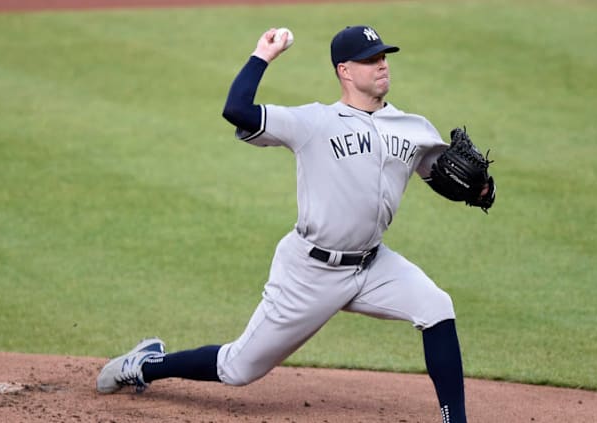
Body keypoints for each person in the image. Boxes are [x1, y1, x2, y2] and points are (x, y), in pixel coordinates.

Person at [97, 25, 494, 423]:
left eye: (383, 57)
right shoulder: (314, 123)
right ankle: (146, 364)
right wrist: (261, 56)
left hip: (372, 265)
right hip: (310, 271)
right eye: (370, 60)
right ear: (344, 70)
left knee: (436, 306)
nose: (382, 66)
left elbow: (445, 178)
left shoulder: (414, 128)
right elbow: (237, 110)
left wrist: (482, 192)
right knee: (238, 368)